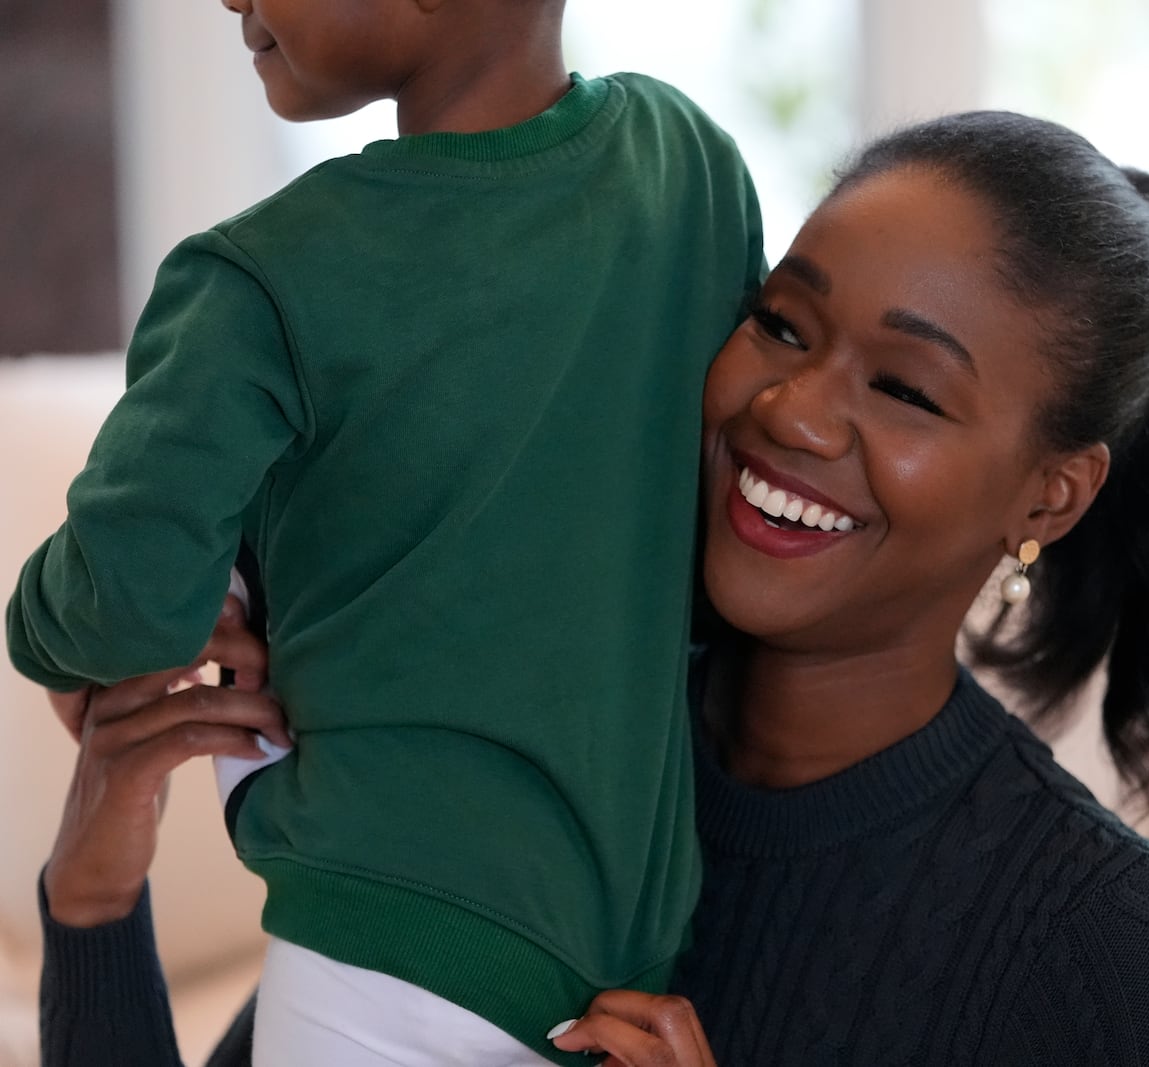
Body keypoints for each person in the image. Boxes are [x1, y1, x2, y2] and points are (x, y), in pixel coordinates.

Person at [35, 110, 1149, 1065]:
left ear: (1048, 495)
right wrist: (94, 899)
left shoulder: (1111, 952)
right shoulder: (515, 738)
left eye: (904, 390)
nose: (791, 411)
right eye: (783, 325)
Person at [8, 0, 764, 1062]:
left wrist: (43, 630)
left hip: (379, 943)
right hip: (629, 946)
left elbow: (121, 601)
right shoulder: (692, 171)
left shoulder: (262, 277)